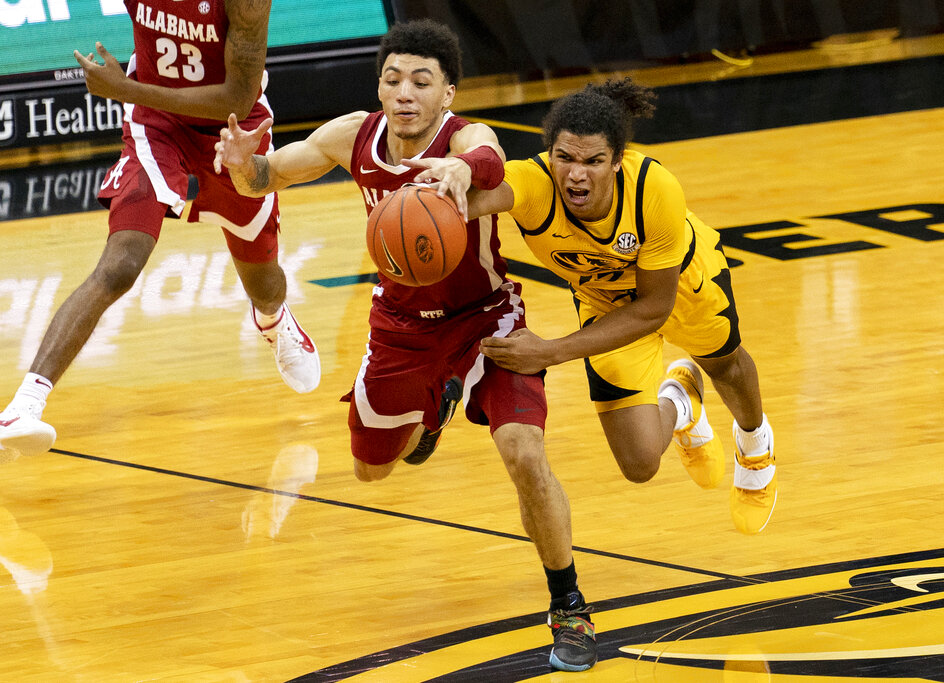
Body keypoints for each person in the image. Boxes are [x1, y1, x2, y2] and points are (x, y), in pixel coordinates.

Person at [214, 19, 598, 673]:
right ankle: (431, 414)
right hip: (400, 326)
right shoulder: (352, 137)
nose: (405, 92)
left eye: (422, 81)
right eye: (393, 78)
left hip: (487, 321)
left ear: (448, 93)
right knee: (371, 467)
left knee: (523, 452)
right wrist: (241, 162)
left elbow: (492, 157)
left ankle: (569, 606)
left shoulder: (464, 139)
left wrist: (461, 168)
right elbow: (263, 177)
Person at [0, 0, 321, 460]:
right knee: (121, 264)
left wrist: (127, 89)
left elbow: (236, 97)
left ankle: (273, 321)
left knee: (266, 286)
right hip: (156, 124)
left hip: (233, 128)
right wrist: (131, 92)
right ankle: (24, 405)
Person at [467, 78, 777, 535]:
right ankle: (682, 400)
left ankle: (755, 444)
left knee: (726, 366)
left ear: (616, 162)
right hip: (604, 300)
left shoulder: (654, 188)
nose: (576, 174)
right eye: (565, 158)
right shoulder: (531, 183)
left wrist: (550, 351)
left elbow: (655, 307)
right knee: (638, 464)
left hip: (681, 284)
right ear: (548, 153)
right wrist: (441, 186)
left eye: (593, 162)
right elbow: (464, 203)